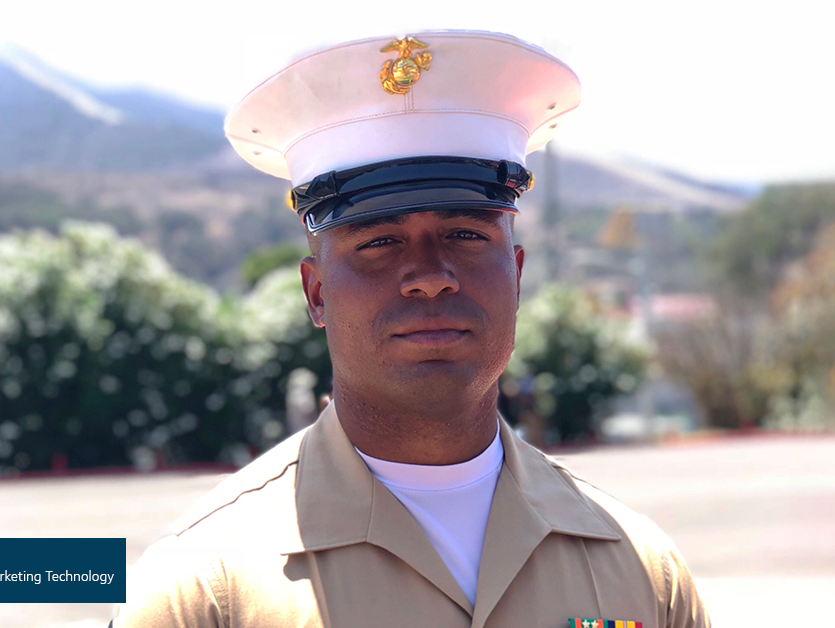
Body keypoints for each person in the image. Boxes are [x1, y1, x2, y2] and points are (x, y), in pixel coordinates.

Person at [111, 30, 710, 628]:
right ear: (316, 293)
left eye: (466, 235)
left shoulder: (643, 575)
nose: (430, 277)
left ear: (518, 276)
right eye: (379, 243)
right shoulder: (202, 591)